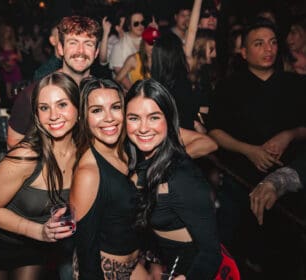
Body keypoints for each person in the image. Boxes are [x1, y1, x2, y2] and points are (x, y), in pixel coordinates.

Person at [207, 17, 306, 278]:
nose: (268, 49)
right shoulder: (229, 87)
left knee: (285, 260)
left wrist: (289, 134)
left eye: (273, 43)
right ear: (244, 52)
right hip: (240, 184)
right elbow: (215, 131)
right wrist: (248, 150)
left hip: (288, 192)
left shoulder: (295, 84)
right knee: (237, 257)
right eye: (259, 44)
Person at [0, 72, 77, 280]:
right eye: (44, 108)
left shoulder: (84, 154)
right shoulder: (26, 156)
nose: (53, 115)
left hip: (34, 248)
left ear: (78, 109)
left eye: (62, 105)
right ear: (37, 115)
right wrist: (39, 232)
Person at [125, 79, 222, 279]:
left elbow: (211, 252)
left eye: (153, 117)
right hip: (161, 263)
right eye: (134, 118)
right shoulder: (136, 161)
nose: (143, 128)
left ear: (168, 121)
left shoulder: (181, 177)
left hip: (187, 268)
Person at [70, 77, 149, 279]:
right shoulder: (88, 173)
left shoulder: (129, 151)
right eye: (96, 110)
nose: (109, 118)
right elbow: (86, 250)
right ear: (83, 117)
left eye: (115, 107)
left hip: (134, 264)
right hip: (105, 273)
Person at [7, 15, 102, 149]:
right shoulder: (36, 93)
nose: (80, 51)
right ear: (60, 49)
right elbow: (13, 144)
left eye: (88, 44)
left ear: (96, 51)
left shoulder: (101, 93)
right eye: (73, 43)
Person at [115, 26, 160, 91]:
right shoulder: (134, 59)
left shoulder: (161, 59)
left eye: (156, 43)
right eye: (151, 42)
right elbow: (117, 80)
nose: (153, 46)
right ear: (144, 42)